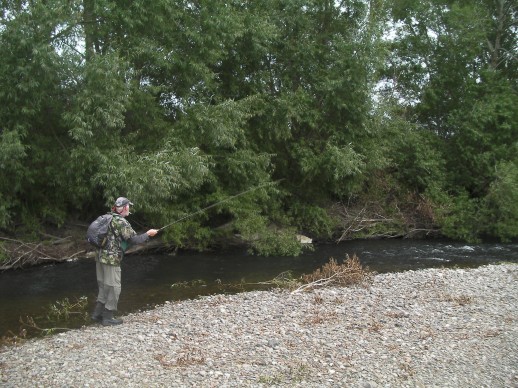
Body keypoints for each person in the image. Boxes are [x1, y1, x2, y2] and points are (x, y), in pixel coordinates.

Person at [91, 197, 158, 326]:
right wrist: (148, 234)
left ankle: (97, 314)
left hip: (99, 257)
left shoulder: (107, 217)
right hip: (111, 259)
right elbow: (134, 240)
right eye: (129, 207)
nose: (129, 209)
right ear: (125, 207)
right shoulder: (121, 222)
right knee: (114, 287)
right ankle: (108, 318)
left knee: (104, 286)